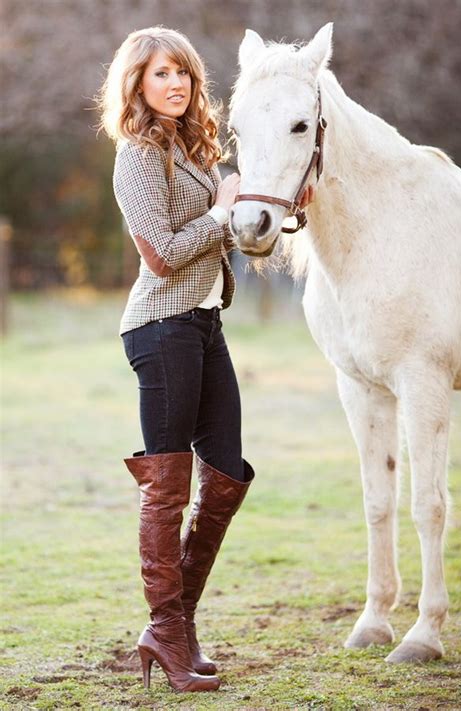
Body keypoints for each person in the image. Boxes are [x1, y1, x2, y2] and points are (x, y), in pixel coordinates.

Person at [98, 26, 254, 693]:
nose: (176, 83)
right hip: (160, 329)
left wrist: (250, 215)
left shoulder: (191, 151)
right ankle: (166, 625)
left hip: (202, 323)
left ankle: (175, 625)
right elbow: (160, 252)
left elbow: (217, 238)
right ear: (136, 83)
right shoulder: (137, 155)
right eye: (161, 73)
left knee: (226, 471)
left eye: (184, 72)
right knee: (168, 484)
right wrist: (221, 215)